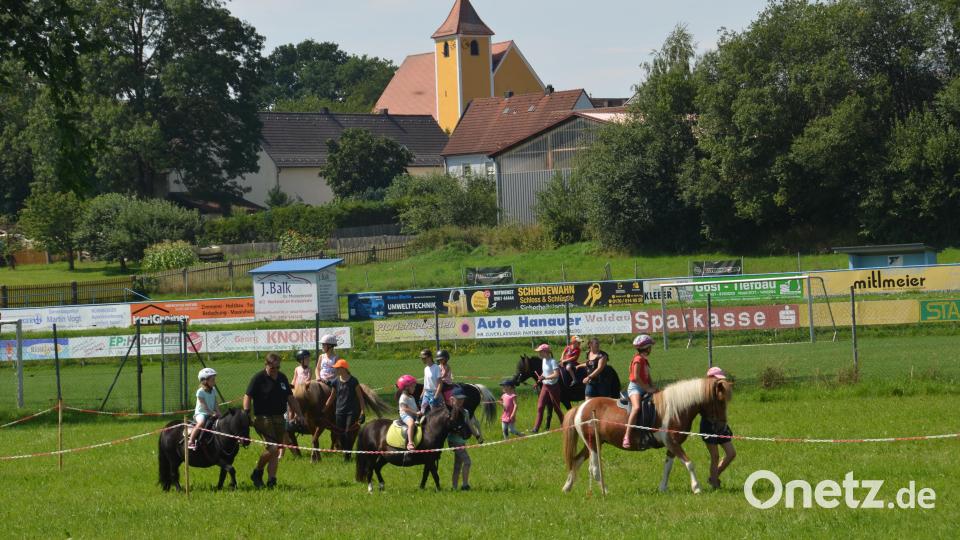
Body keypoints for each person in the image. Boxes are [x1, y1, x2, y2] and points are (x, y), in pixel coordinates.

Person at [244, 353, 305, 489]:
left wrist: (300, 414)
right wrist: (247, 414)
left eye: (278, 367)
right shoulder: (258, 378)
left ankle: (272, 481)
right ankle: (257, 471)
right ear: (266, 365)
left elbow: (290, 398)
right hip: (262, 419)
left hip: (279, 418)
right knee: (272, 448)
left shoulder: (282, 378)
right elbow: (247, 396)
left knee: (276, 451)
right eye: (273, 368)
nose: (275, 371)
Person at [324, 359, 366, 461]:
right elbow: (332, 397)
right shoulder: (336, 381)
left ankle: (348, 455)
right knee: (340, 433)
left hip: (351, 412)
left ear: (344, 368)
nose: (336, 370)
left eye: (338, 368)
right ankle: (346, 452)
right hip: (339, 411)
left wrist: (362, 412)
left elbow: (360, 397)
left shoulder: (353, 381)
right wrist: (324, 409)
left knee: (348, 433)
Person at [701, 366, 736, 489]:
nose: (719, 381)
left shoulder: (721, 391)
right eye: (717, 379)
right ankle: (715, 483)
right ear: (710, 378)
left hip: (722, 427)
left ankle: (713, 477)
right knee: (715, 456)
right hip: (708, 427)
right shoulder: (703, 394)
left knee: (731, 453)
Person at [623, 334, 658, 449]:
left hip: (645, 386)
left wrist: (654, 388)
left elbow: (648, 377)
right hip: (635, 388)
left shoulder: (645, 360)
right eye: (650, 347)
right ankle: (627, 436)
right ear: (647, 348)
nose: (651, 349)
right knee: (637, 407)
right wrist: (648, 388)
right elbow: (636, 377)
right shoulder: (638, 360)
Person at [448, 387, 482, 491]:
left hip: (462, 441)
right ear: (452, 399)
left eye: (462, 399)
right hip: (454, 441)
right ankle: (465, 485)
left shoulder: (465, 412)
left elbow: (470, 425)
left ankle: (454, 488)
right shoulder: (449, 412)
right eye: (458, 399)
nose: (461, 401)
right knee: (467, 461)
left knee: (458, 464)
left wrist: (477, 436)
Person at [531, 343, 564, 434]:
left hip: (554, 387)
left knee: (556, 408)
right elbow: (544, 372)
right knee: (540, 407)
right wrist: (538, 381)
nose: (539, 354)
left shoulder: (553, 361)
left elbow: (556, 374)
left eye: (540, 352)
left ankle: (564, 424)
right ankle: (535, 428)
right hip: (545, 386)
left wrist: (545, 378)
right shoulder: (543, 360)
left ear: (545, 352)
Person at [188, 368, 218, 451]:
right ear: (205, 381)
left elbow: (215, 403)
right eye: (212, 380)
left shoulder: (214, 390)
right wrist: (211, 413)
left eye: (214, 379)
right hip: (201, 414)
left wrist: (219, 413)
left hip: (211, 413)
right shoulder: (200, 392)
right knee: (201, 422)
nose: (214, 381)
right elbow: (203, 405)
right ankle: (191, 441)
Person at [397, 374, 420, 451]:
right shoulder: (403, 397)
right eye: (413, 386)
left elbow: (415, 407)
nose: (414, 388)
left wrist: (419, 411)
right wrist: (416, 413)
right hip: (405, 415)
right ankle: (410, 442)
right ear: (406, 388)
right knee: (411, 424)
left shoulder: (411, 397)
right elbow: (404, 408)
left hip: (413, 414)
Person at [420, 349, 442, 413]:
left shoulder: (436, 368)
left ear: (430, 357)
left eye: (424, 358)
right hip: (426, 393)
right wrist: (422, 394)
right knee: (422, 410)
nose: (423, 360)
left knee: (433, 412)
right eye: (422, 358)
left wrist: (436, 395)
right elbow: (425, 383)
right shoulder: (426, 369)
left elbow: (440, 383)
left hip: (434, 393)